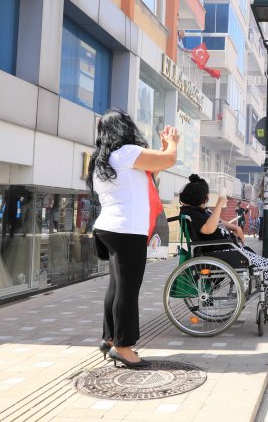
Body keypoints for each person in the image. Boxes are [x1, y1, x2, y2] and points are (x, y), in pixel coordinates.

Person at [88, 109, 180, 368]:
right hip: (126, 230)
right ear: (124, 128)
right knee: (127, 289)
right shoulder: (126, 152)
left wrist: (162, 150)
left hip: (109, 228)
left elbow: (149, 177)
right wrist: (172, 142)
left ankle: (109, 339)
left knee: (117, 287)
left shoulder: (102, 161)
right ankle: (124, 346)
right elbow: (170, 159)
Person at [178, 175, 268, 314]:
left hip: (228, 248)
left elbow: (218, 221)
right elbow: (208, 229)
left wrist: (236, 228)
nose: (207, 199)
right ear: (198, 198)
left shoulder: (199, 210)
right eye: (205, 197)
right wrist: (220, 204)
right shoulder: (193, 213)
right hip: (222, 251)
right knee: (266, 266)